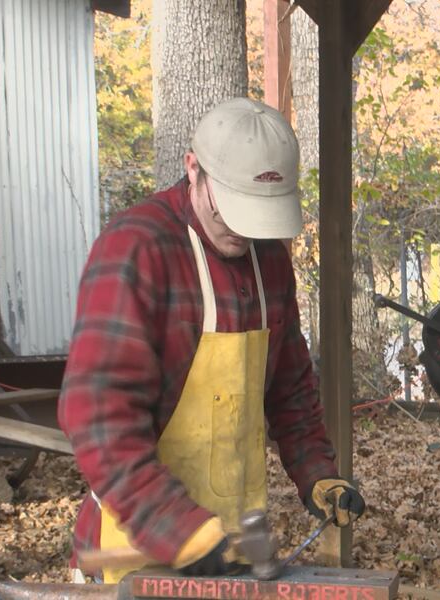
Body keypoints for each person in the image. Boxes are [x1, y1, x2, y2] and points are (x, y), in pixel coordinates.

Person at [58, 97, 365, 583]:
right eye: (232, 213)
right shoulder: (136, 248)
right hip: (137, 550)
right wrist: (178, 529)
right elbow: (98, 419)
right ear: (193, 169)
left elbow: (291, 387)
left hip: (231, 552)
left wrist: (317, 473)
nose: (244, 234)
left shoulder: (269, 261)